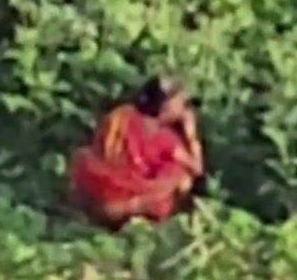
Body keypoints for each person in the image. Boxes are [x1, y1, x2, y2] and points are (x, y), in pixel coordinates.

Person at [68, 76, 204, 228]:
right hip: (130, 191)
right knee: (179, 173)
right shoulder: (166, 139)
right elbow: (197, 168)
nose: (184, 110)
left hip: (106, 186)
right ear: (167, 107)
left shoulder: (122, 115)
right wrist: (191, 136)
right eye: (182, 104)